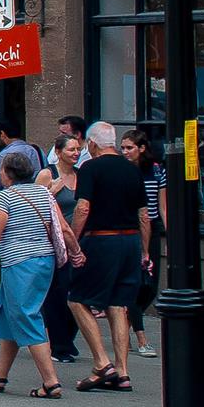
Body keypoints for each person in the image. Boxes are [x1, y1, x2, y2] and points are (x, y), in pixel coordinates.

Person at [0, 150, 75, 398]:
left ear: (7, 174)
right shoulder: (44, 193)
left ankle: (51, 382)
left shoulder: (5, 198)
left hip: (19, 263)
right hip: (44, 261)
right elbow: (64, 228)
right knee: (7, 314)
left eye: (1, 170)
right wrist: (75, 252)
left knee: (26, 315)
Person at [67, 121, 150, 392]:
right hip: (130, 240)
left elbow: (82, 208)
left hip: (102, 239)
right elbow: (144, 215)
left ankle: (103, 363)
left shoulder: (91, 167)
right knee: (118, 304)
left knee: (77, 299)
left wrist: (74, 243)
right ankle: (123, 372)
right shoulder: (132, 170)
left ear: (92, 143)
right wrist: (145, 250)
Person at [36, 133, 83, 363]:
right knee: (56, 294)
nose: (75, 153)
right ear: (58, 151)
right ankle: (59, 345)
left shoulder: (80, 176)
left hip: (77, 240)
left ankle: (67, 339)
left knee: (77, 292)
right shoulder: (48, 174)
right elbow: (33, 203)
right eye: (70, 150)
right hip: (53, 242)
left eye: (77, 149)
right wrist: (50, 192)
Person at [120, 128, 164, 359]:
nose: (125, 152)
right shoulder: (124, 172)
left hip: (152, 228)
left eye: (130, 148)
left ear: (142, 148)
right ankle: (141, 338)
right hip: (131, 229)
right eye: (123, 148)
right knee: (135, 285)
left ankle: (124, 331)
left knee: (150, 286)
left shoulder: (155, 171)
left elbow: (161, 205)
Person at [0, 114, 43, 195]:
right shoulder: (32, 150)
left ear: (2, 134)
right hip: (32, 196)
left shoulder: (4, 155)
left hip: (9, 197)